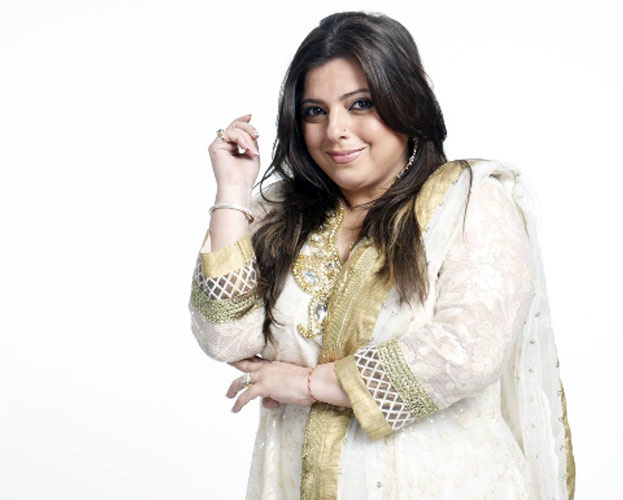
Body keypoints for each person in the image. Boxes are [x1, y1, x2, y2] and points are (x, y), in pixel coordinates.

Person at [188, 11, 575, 500]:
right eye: (315, 111)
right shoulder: (280, 213)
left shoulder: (468, 200)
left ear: (404, 101)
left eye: (361, 104)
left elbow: (467, 351)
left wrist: (308, 384)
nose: (335, 130)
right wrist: (233, 191)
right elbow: (226, 339)